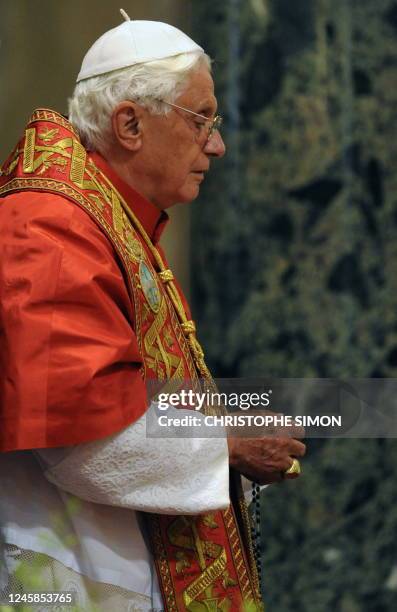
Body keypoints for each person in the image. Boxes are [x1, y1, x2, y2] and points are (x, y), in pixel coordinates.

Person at [0, 12, 306, 612]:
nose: (216, 144)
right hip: (65, 572)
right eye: (202, 121)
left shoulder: (104, 213)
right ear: (131, 123)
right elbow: (82, 439)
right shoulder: (49, 225)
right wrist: (229, 445)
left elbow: (131, 391)